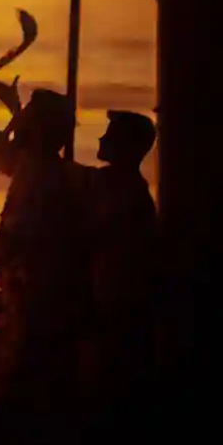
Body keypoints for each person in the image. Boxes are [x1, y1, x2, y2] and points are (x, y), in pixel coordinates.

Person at [0, 88, 90, 418]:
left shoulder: (36, 180)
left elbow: (17, 246)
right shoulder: (50, 173)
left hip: (31, 307)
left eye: (27, 117)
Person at [80, 111, 158, 410]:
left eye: (110, 134)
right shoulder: (124, 188)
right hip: (115, 306)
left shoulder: (117, 189)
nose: (101, 137)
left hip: (114, 307)